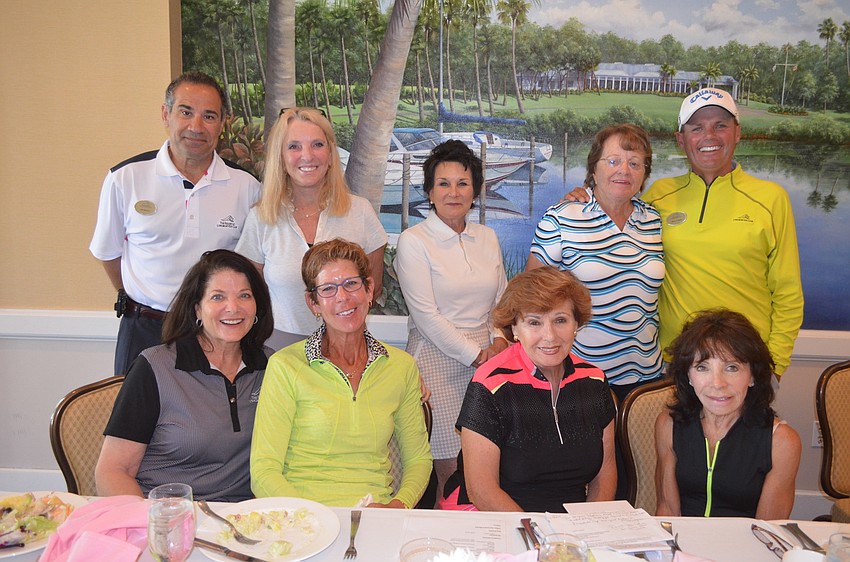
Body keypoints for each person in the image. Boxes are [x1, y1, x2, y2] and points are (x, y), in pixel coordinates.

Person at [564, 89, 803, 379]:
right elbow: (615, 205)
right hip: (673, 363)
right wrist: (584, 197)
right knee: (668, 427)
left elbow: (788, 293)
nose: (709, 136)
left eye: (721, 125)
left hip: (744, 364)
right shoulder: (659, 196)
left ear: (738, 133)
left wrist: (774, 363)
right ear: (681, 140)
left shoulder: (771, 199)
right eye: (697, 128)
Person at [90, 71, 261, 376]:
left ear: (222, 124)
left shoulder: (246, 186)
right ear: (166, 114)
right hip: (144, 329)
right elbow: (108, 253)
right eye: (186, 112)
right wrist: (141, 297)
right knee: (136, 422)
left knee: (213, 422)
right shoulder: (125, 178)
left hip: (216, 334)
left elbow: (250, 263)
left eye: (209, 116)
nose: (196, 126)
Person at [250, 239, 432, 508]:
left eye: (351, 284)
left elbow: (418, 460)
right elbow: (264, 471)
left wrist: (397, 507)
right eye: (327, 289)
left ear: (369, 289)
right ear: (313, 303)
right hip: (303, 517)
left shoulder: (401, 367)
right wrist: (312, 516)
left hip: (376, 514)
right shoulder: (285, 366)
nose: (343, 297)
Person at [95, 250, 274, 501]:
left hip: (245, 519)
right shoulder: (155, 367)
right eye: (217, 297)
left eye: (244, 295)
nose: (233, 307)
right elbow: (113, 471)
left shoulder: (271, 367)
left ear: (258, 306)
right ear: (197, 309)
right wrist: (153, 527)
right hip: (166, 516)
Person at [440, 267, 616, 512]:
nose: (549, 336)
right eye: (534, 322)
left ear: (577, 323)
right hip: (493, 517)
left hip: (571, 529)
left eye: (560, 320)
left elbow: (605, 474)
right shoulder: (490, 384)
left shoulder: (594, 381)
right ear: (514, 329)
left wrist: (587, 527)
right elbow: (482, 491)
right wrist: (541, 540)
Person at [394, 140, 508, 503]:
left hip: (491, 356)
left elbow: (502, 301)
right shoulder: (414, 241)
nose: (453, 192)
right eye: (443, 183)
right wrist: (477, 355)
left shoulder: (487, 237)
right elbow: (426, 316)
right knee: (449, 468)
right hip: (436, 357)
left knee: (489, 460)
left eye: (462, 183)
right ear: (429, 191)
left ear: (475, 190)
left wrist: (500, 341)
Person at [527, 124, 664, 402]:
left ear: (644, 174)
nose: (624, 170)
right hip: (582, 377)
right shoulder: (563, 217)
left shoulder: (653, 220)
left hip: (647, 378)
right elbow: (531, 297)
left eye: (635, 163)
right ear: (593, 169)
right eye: (613, 161)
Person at [235, 108, 387, 347]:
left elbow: (371, 291)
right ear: (281, 158)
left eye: (317, 144)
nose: (307, 156)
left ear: (330, 154)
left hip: (348, 347)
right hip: (280, 350)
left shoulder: (361, 212)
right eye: (294, 146)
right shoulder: (261, 218)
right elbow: (251, 294)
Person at [655, 309, 801, 518]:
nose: (717, 383)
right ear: (688, 375)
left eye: (732, 367)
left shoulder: (781, 442)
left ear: (753, 376)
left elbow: (768, 531)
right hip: (682, 545)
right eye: (702, 367)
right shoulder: (668, 424)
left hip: (745, 547)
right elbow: (667, 511)